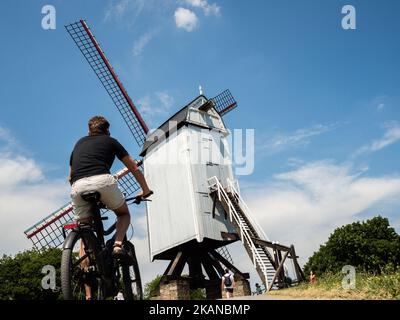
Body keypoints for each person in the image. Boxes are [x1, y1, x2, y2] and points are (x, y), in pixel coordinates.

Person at [69, 116, 152, 298]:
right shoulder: (111, 141)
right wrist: (145, 189)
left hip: (78, 186)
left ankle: (86, 274)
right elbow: (133, 168)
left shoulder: (78, 144)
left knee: (85, 229)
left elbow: (70, 176)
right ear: (107, 130)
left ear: (89, 130)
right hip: (103, 182)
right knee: (123, 215)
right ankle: (117, 245)